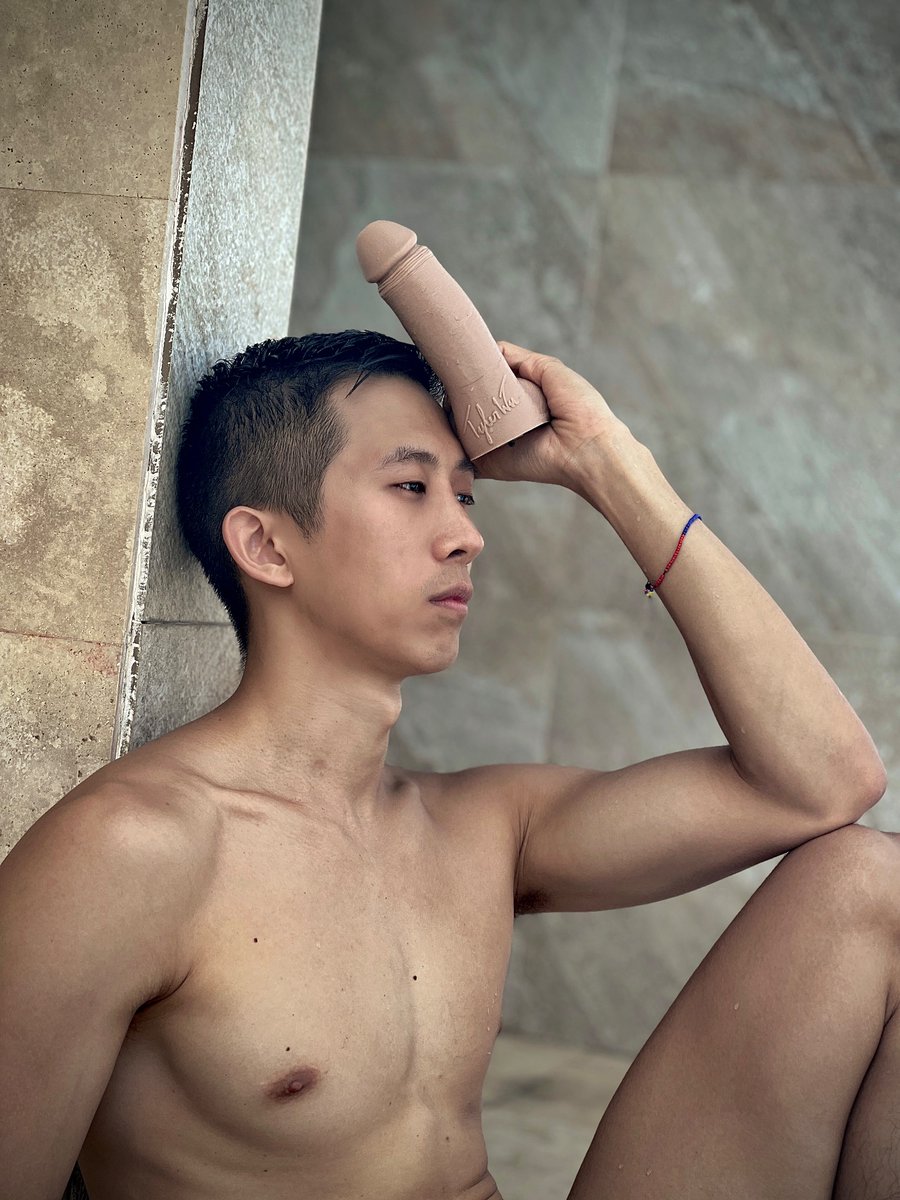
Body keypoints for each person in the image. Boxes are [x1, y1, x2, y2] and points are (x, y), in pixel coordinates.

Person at [0, 329, 894, 1200]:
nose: (466, 536)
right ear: (266, 546)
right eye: (411, 487)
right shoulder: (132, 850)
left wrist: (608, 464)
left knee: (867, 880)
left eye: (464, 498)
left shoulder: (483, 829)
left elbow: (821, 782)